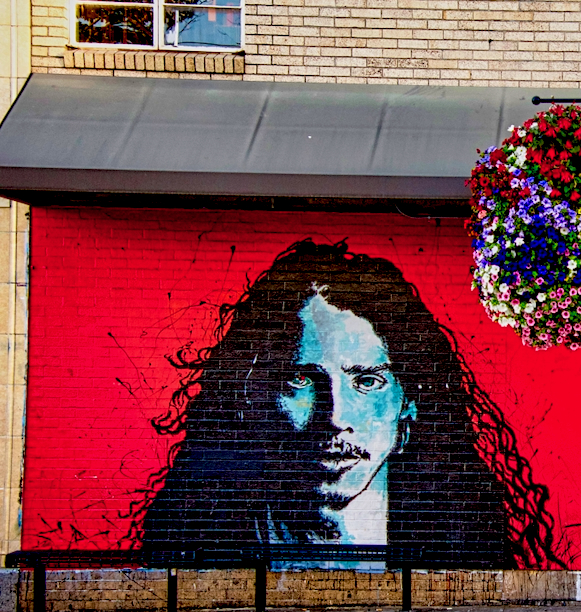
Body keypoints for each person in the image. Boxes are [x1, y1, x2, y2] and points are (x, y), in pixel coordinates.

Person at [141, 239, 560, 568]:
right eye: (299, 380)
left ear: (409, 408)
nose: (335, 417)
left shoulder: (460, 548)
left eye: (367, 380)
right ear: (253, 397)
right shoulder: (196, 545)